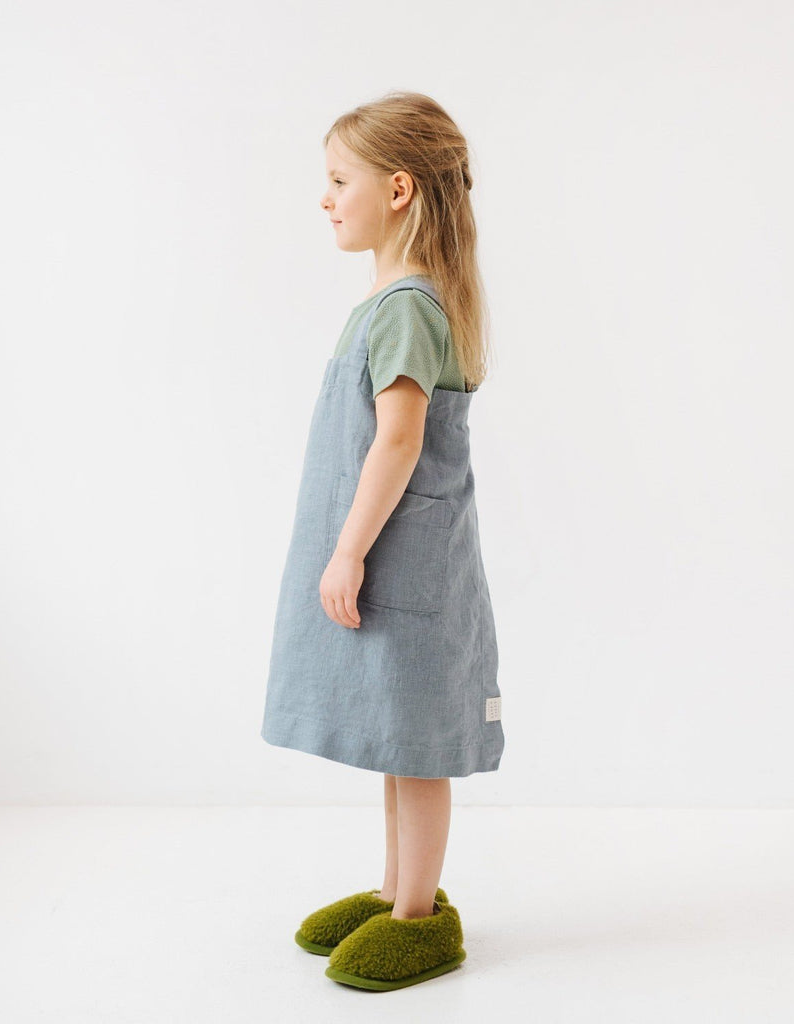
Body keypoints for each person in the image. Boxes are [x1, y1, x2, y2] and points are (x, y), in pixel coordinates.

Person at [261, 90, 505, 991]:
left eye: (338, 180)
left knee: (421, 742)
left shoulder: (405, 305)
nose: (325, 198)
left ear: (398, 189)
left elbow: (399, 439)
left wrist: (349, 549)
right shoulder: (394, 301)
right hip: (403, 557)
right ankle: (400, 892)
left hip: (405, 557)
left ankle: (419, 917)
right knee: (399, 735)